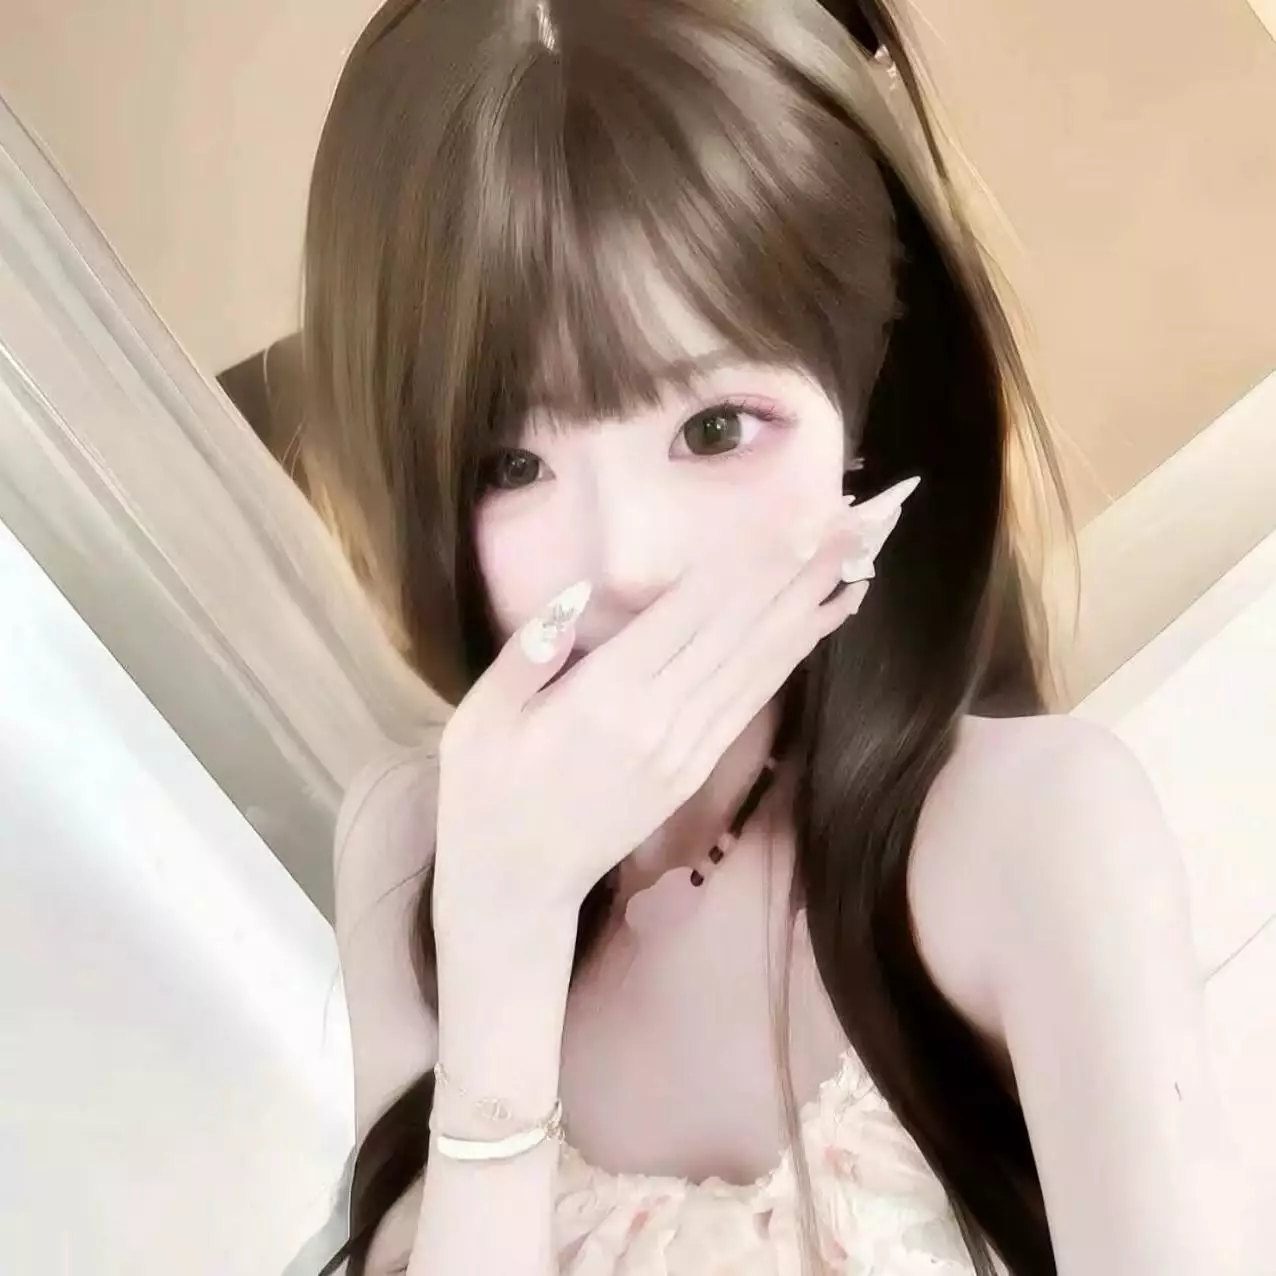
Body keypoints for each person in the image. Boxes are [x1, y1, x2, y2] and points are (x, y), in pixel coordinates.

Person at [300, 2, 1257, 1273]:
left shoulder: (1029, 837)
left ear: (860, 401)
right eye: (513, 462)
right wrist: (503, 948)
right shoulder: (408, 851)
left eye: (712, 428)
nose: (628, 559)